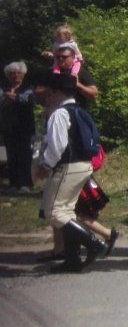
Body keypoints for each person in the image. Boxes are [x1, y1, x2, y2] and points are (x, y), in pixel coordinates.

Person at [35, 73, 108, 272]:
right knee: (67, 212)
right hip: (83, 165)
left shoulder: (60, 114)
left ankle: (94, 243)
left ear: (57, 92)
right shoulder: (79, 110)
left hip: (67, 166)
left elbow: (57, 146)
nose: (47, 97)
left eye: (49, 93)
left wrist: (45, 166)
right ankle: (72, 259)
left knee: (54, 212)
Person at [2, 61, 36, 192]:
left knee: (24, 155)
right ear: (8, 75)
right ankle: (13, 183)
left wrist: (13, 98)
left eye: (19, 73)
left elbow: (27, 99)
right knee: (11, 155)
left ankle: (25, 183)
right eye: (13, 73)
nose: (16, 75)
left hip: (25, 127)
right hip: (8, 127)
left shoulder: (29, 87)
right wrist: (13, 98)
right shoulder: (4, 88)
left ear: (23, 74)